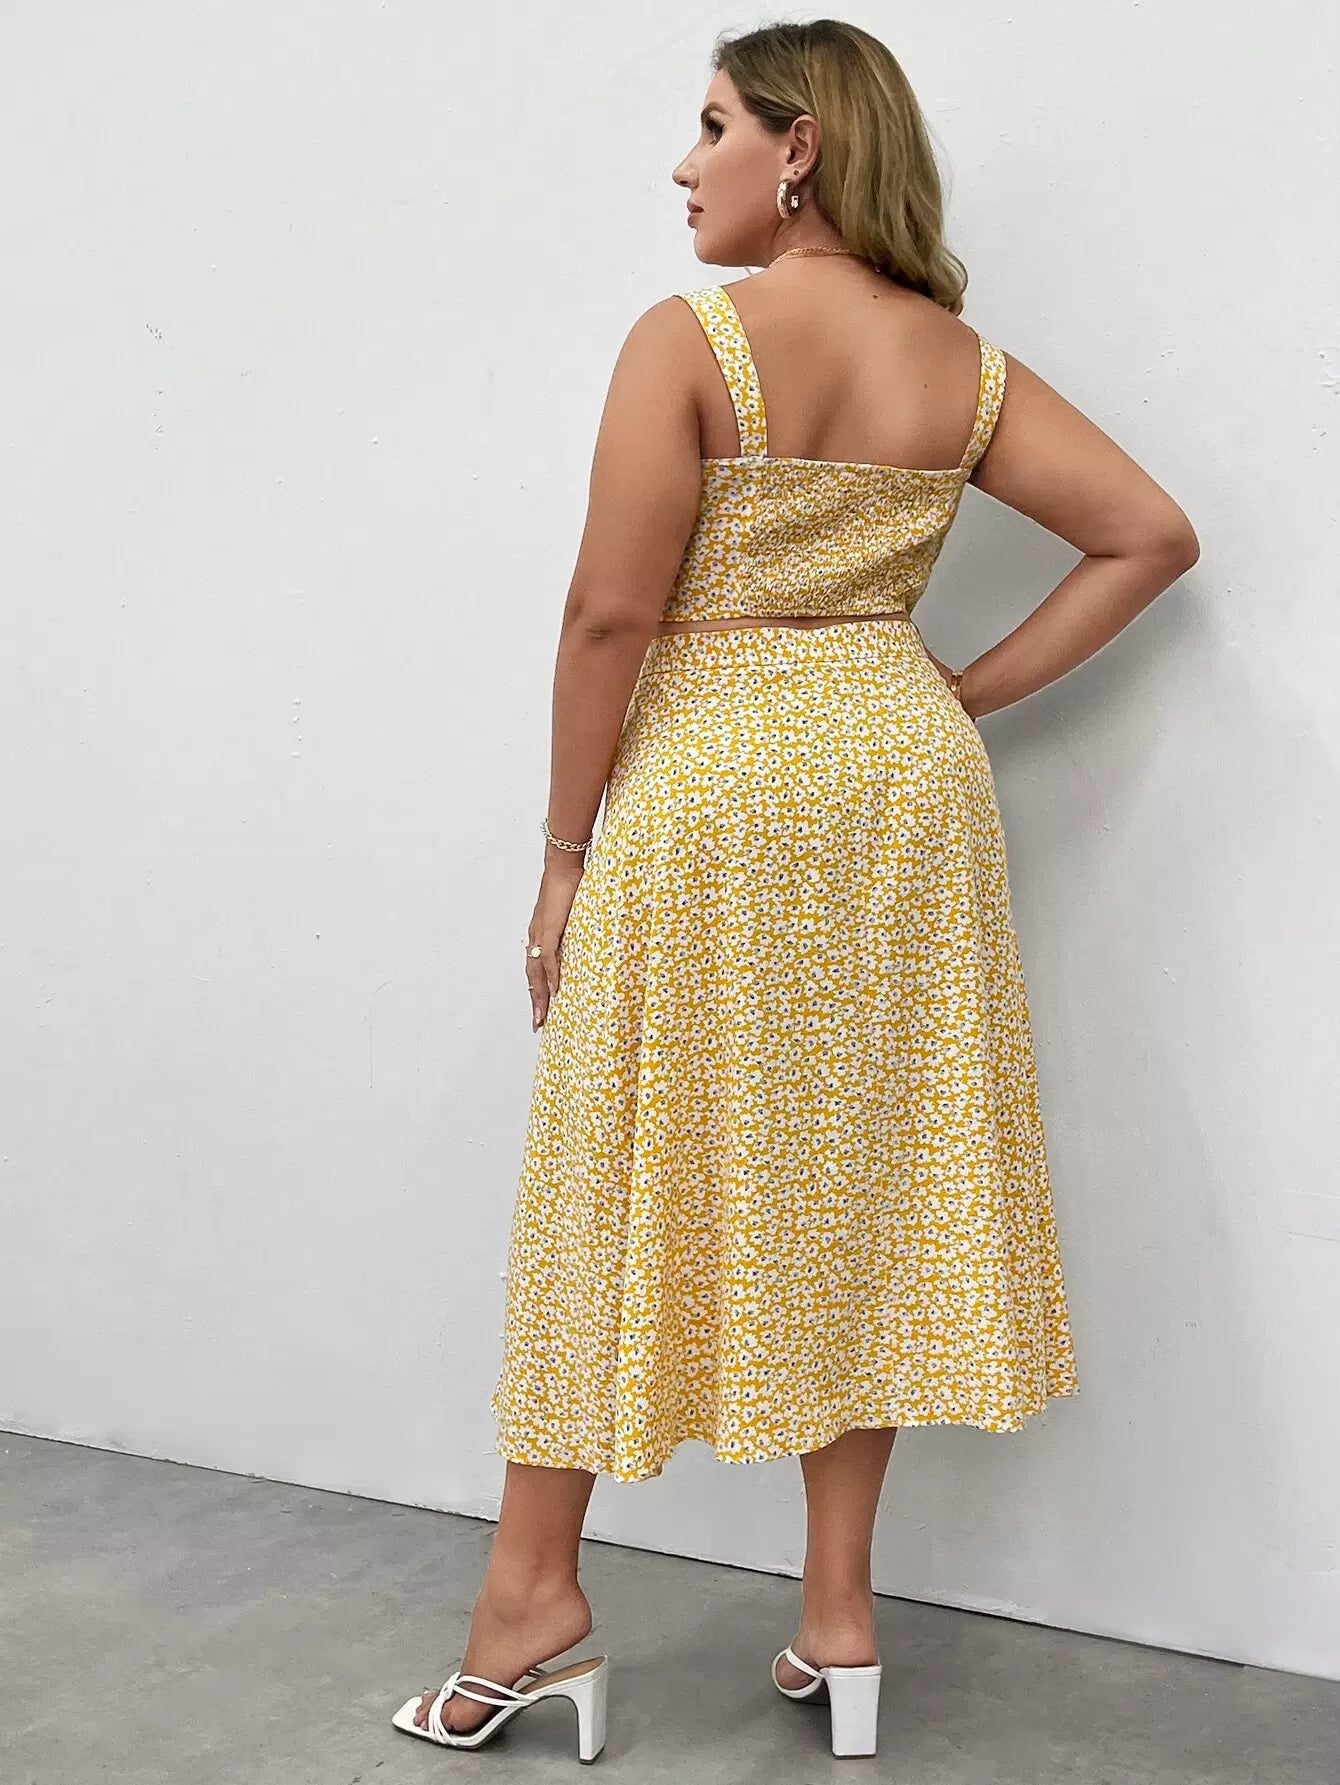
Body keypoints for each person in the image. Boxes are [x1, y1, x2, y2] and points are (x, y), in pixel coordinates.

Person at [393, 17, 1199, 1764]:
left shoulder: (690, 340)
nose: (685, 167)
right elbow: (1149, 533)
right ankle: (838, 1611)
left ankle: (532, 1596)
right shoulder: (961, 366)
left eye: (711, 128)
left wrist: (561, 853)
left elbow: (609, 614)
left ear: (802, 146)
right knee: (862, 1173)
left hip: (713, 793)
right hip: (898, 791)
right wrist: (950, 692)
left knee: (613, 1164)